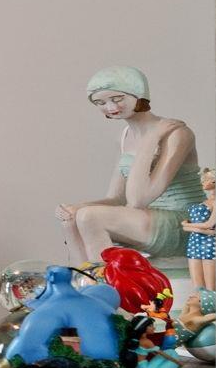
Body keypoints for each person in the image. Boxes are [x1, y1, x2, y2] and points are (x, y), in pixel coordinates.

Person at [58, 66, 206, 261]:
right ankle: (87, 276)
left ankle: (109, 277)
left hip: (182, 223)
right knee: (74, 218)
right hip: (145, 218)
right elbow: (116, 198)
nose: (110, 107)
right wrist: (77, 207)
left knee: (89, 217)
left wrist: (149, 142)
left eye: (117, 98)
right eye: (100, 102)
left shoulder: (176, 134)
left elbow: (138, 200)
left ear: (139, 93)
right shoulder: (124, 136)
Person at [184, 167, 216, 293]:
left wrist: (187, 226)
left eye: (206, 180)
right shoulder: (206, 201)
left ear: (215, 181)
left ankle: (213, 305)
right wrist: (189, 226)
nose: (203, 182)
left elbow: (210, 224)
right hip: (194, 242)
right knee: (197, 287)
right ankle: (199, 304)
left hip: (209, 243)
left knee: (210, 288)